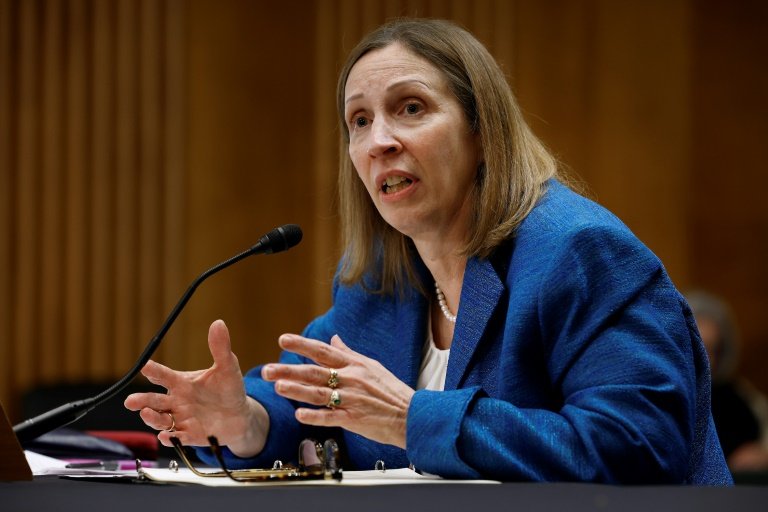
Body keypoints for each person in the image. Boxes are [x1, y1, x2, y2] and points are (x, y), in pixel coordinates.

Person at [125, 18, 732, 484]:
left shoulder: (578, 253)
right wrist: (247, 422)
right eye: (359, 121)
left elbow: (639, 447)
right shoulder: (376, 284)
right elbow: (312, 399)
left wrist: (411, 419)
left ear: (481, 129)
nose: (379, 141)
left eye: (410, 108)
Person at [685, 290, 768, 473]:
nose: (704, 358)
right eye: (696, 345)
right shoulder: (660, 394)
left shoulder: (741, 398)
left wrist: (761, 454)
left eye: (712, 349)